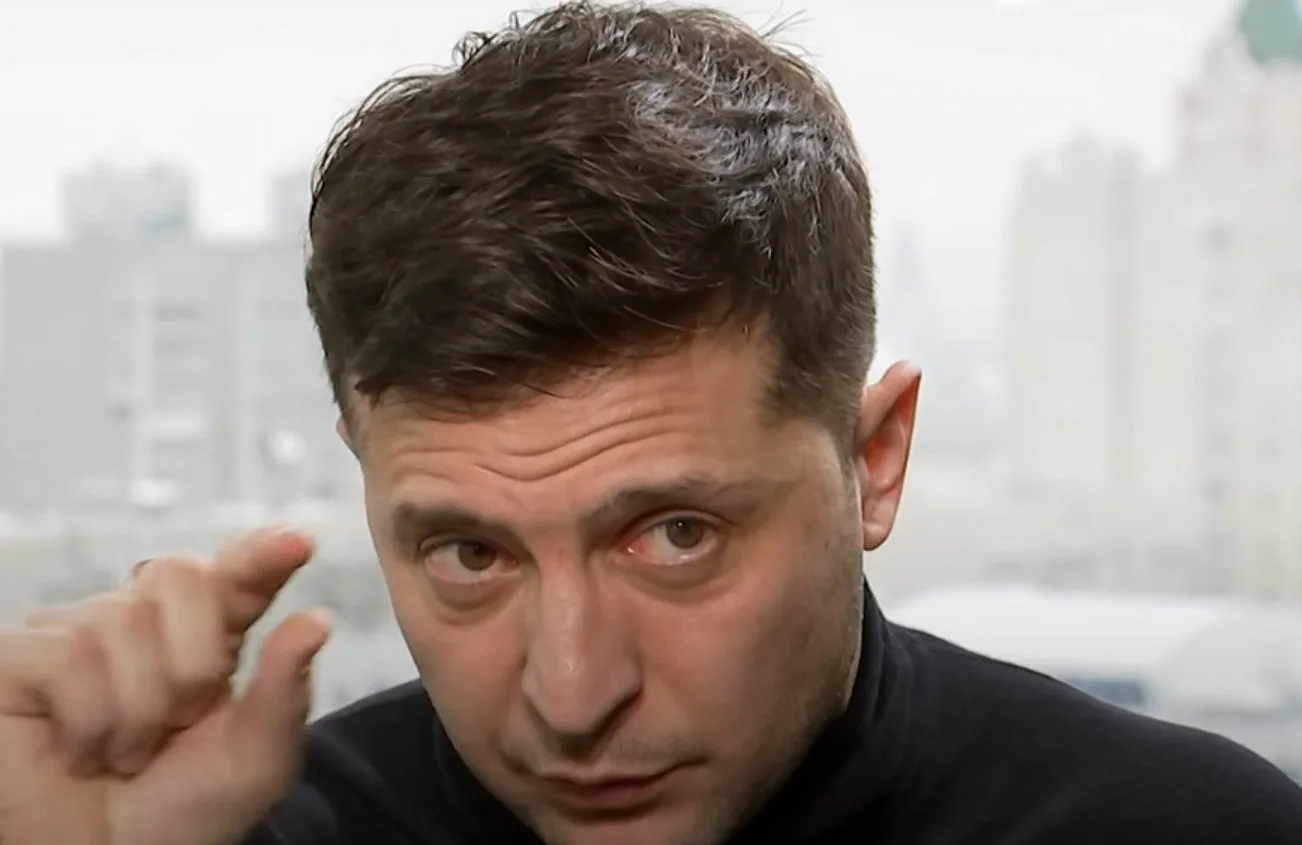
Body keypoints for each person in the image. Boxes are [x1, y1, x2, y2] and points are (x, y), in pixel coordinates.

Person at [2, 3, 1301, 844]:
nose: (571, 697)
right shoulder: (234, 834)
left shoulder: (1188, 831)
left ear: (874, 461)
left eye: (675, 535)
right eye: (469, 554)